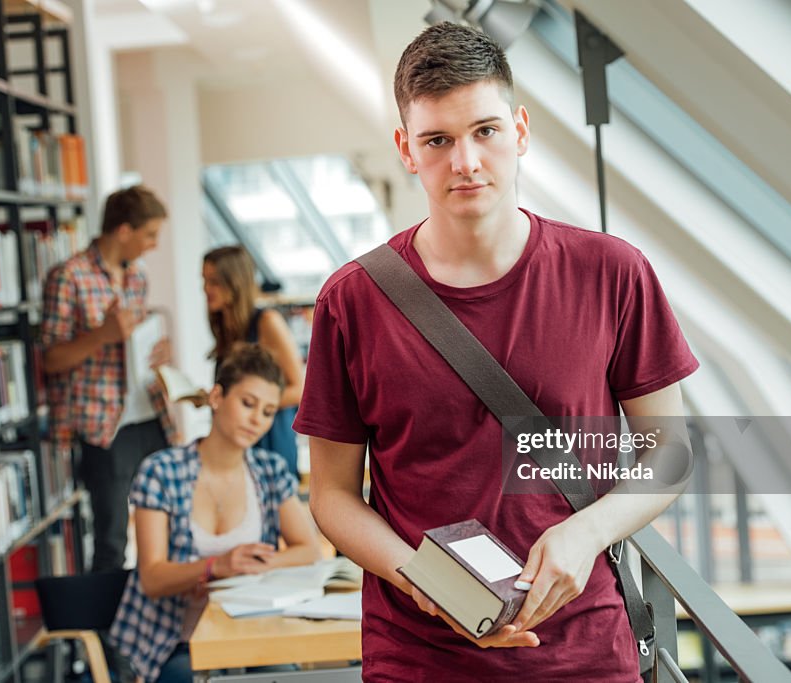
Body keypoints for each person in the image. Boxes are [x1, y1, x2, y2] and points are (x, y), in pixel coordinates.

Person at [294, 22, 699, 681]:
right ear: (406, 149)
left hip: (585, 654)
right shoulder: (353, 300)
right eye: (438, 140)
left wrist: (585, 532)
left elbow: (671, 453)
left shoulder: (612, 272)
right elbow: (334, 494)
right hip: (418, 655)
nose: (466, 162)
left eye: (484, 131)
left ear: (520, 130)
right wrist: (419, 579)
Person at [109, 344, 322, 683]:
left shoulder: (270, 471)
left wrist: (246, 566)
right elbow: (151, 578)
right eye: (248, 403)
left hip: (253, 632)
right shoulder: (161, 471)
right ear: (218, 397)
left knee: (288, 676)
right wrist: (216, 566)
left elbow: (309, 549)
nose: (257, 420)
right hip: (173, 640)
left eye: (268, 412)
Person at [41, 184, 176, 573]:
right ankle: (109, 632)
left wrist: (158, 352)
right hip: (106, 426)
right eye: (149, 235)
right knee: (113, 538)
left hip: (150, 416)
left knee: (173, 523)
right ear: (123, 231)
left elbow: (134, 339)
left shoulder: (137, 276)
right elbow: (51, 358)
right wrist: (101, 335)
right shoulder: (68, 277)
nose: (152, 245)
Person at [202, 246, 305, 477]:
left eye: (214, 282)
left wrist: (249, 404)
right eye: (205, 281)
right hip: (235, 443)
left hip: (268, 441)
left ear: (235, 282)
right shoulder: (227, 328)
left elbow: (301, 389)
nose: (206, 289)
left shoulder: (267, 321)